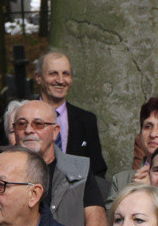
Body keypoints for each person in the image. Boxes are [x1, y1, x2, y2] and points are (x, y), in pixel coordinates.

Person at [12, 100, 108, 226]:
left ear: (55, 132)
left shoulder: (80, 169)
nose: (29, 130)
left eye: (38, 124)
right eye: (22, 124)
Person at [33, 51, 107, 179]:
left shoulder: (87, 120)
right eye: (53, 73)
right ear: (38, 77)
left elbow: (97, 169)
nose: (61, 80)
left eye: (66, 74)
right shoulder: (21, 116)